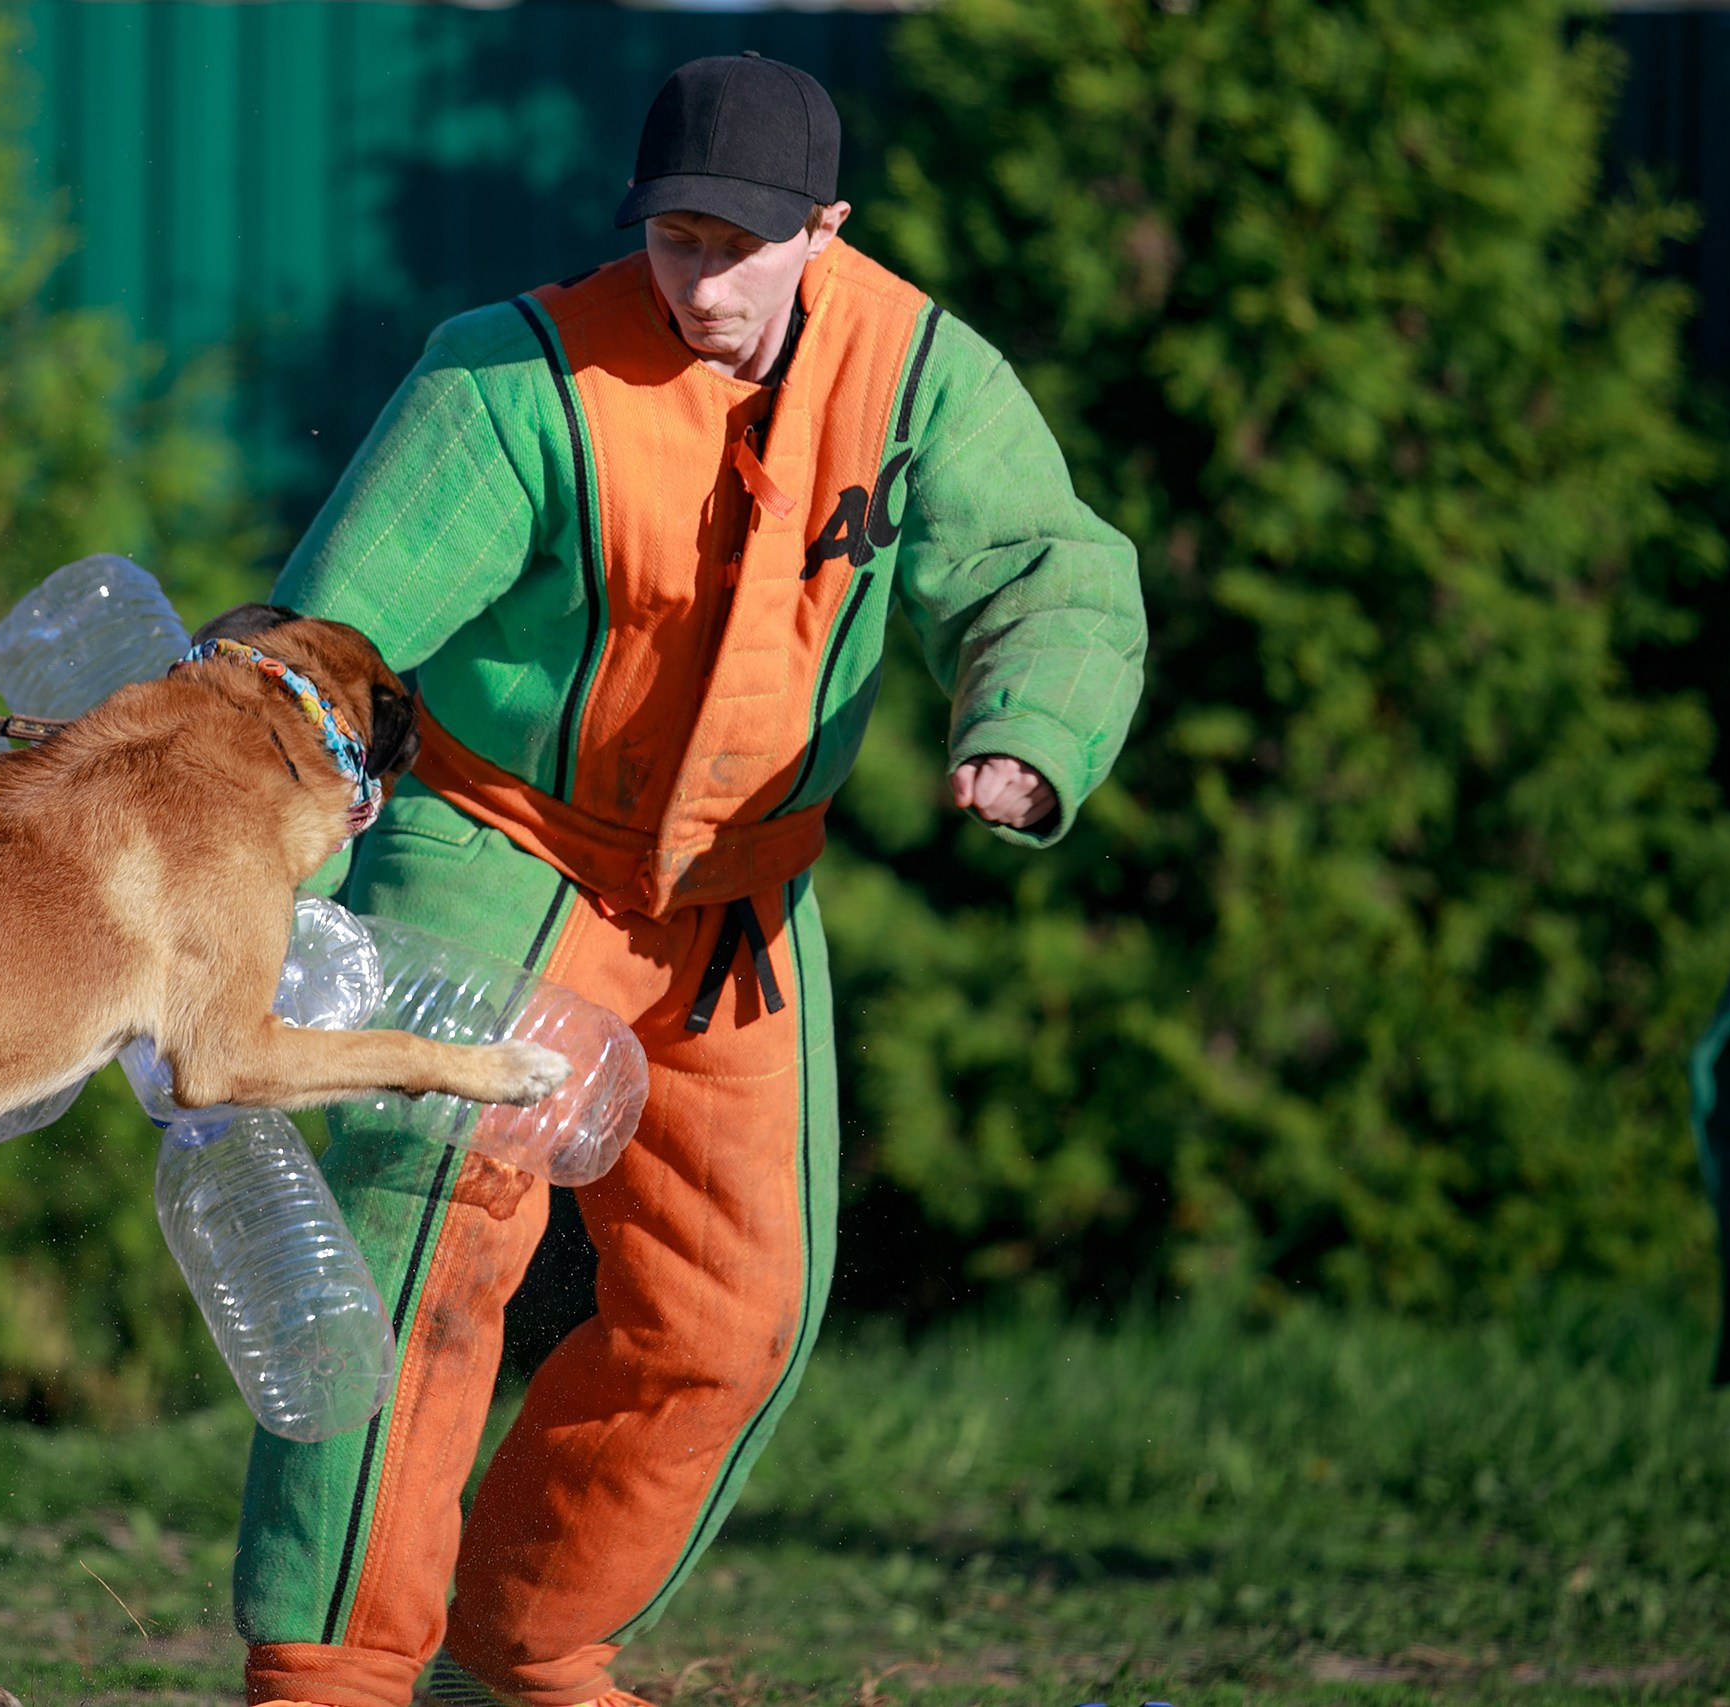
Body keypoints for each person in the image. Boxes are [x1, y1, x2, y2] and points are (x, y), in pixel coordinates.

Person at [237, 53, 1146, 1707]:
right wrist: (230, 779)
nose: (702, 280)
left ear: (827, 231)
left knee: (735, 1323)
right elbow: (330, 638)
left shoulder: (923, 375)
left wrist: (1028, 730)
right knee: (420, 1262)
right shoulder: (509, 381)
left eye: (740, 244)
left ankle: (521, 1647)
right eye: (672, 243)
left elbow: (1047, 567)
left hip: (740, 903)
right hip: (494, 847)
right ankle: (333, 1674)